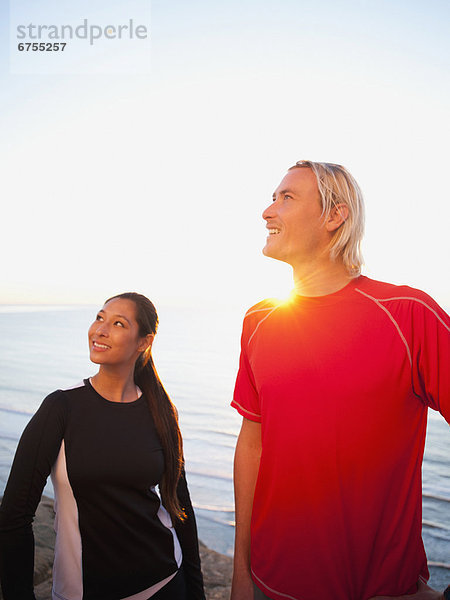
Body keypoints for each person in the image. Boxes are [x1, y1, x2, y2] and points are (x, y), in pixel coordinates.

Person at [230, 161, 449, 600]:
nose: (267, 211)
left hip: (380, 588)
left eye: (286, 198)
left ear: (335, 215)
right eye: (273, 197)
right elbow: (252, 444)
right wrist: (241, 572)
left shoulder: (408, 312)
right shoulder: (258, 319)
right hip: (273, 582)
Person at [0, 292, 205, 600]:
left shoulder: (160, 409)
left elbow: (180, 504)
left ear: (143, 342)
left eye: (118, 323)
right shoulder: (61, 408)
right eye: (99, 318)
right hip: (84, 591)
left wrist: (196, 590)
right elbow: (15, 515)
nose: (100, 330)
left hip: (165, 582)